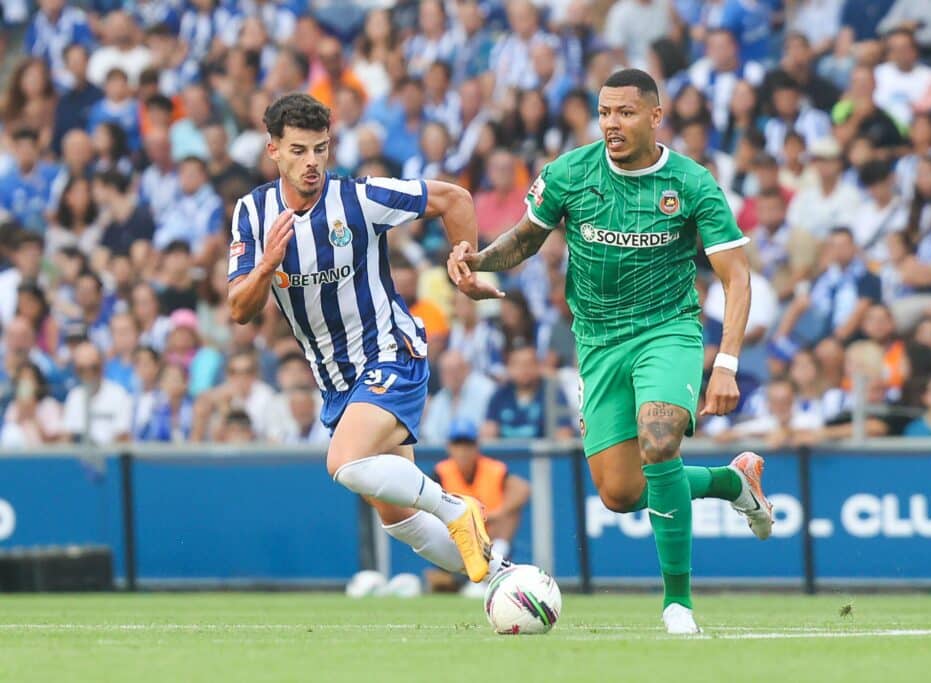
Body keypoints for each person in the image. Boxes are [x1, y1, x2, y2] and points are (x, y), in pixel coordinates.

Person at [448, 69, 773, 634]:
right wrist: (478, 259)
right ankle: (731, 482)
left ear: (654, 115)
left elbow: (736, 276)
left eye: (624, 112)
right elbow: (526, 238)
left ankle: (678, 604)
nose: (611, 125)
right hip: (597, 341)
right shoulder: (571, 172)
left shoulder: (692, 183)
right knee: (621, 494)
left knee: (659, 436)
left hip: (666, 331)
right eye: (604, 113)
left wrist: (726, 362)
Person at [225, 93, 506, 590]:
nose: (311, 162)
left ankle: (456, 505)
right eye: (298, 151)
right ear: (273, 150)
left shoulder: (360, 198)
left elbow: (454, 199)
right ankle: (508, 580)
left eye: (320, 148)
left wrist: (466, 268)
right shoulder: (252, 212)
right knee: (398, 518)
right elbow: (239, 310)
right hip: (338, 382)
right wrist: (266, 267)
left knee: (344, 462)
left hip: (390, 355)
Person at [429, 418, 531, 596]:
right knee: (438, 581)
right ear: (449, 447)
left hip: (491, 538)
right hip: (458, 539)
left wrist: (497, 513)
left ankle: (491, 565)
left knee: (510, 514)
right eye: (458, 445)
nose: (463, 451)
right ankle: (466, 579)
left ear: (476, 446)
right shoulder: (442, 471)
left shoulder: (493, 469)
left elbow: (523, 489)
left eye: (467, 445)